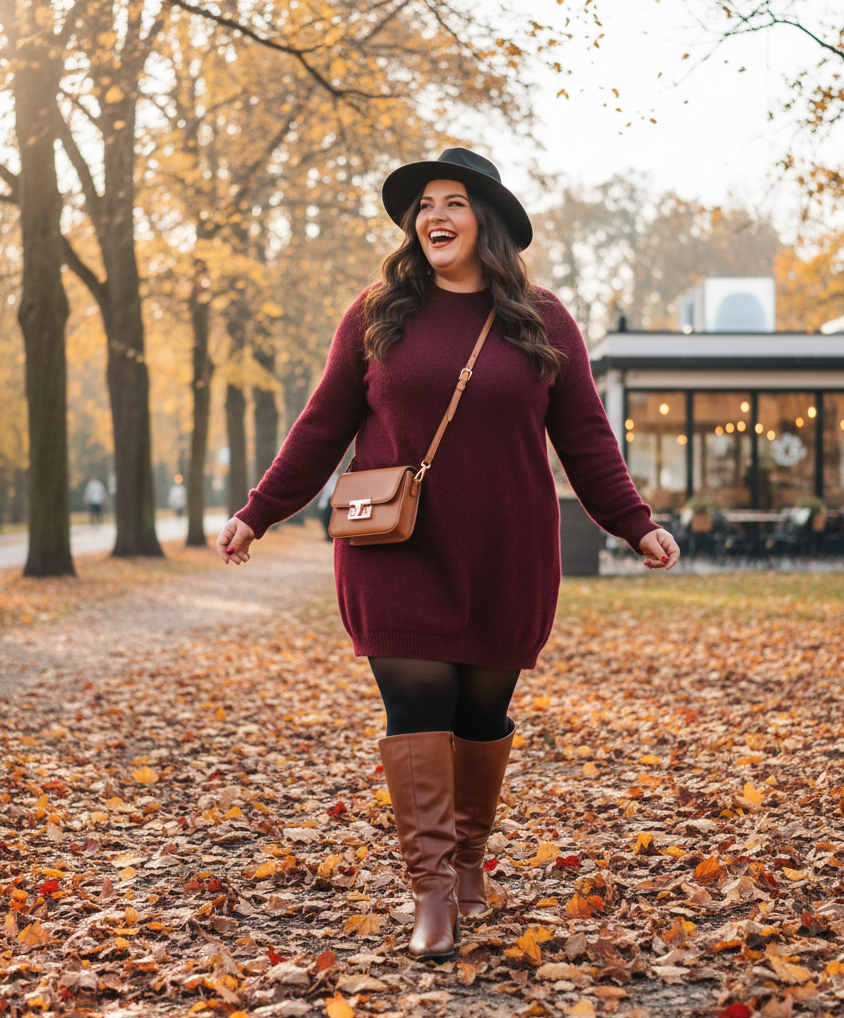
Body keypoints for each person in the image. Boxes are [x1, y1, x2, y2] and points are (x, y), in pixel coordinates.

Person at [216, 148, 680, 960]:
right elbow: (322, 425)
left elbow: (583, 438)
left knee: (480, 716)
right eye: (423, 204)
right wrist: (258, 513)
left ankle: (469, 867)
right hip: (393, 547)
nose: (434, 215)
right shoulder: (376, 313)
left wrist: (634, 522)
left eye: (453, 202)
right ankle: (430, 893)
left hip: (506, 550)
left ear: (486, 220)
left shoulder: (540, 319)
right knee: (415, 706)